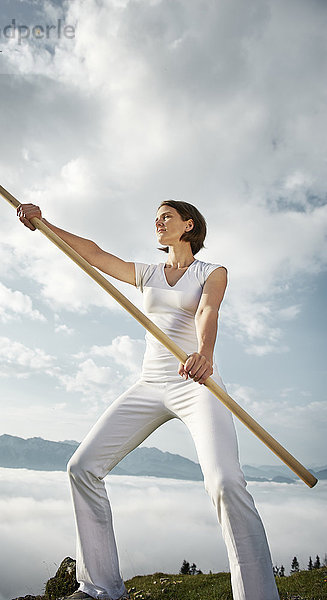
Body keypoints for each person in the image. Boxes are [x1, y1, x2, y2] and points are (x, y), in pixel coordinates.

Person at [17, 200, 280, 600]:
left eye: (167, 215)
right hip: (150, 383)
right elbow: (94, 254)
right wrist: (43, 223)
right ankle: (100, 588)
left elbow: (208, 310)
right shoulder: (149, 273)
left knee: (225, 482)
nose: (158, 220)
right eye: (156, 216)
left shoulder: (213, 272)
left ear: (188, 225)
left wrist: (204, 353)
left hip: (196, 382)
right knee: (82, 466)